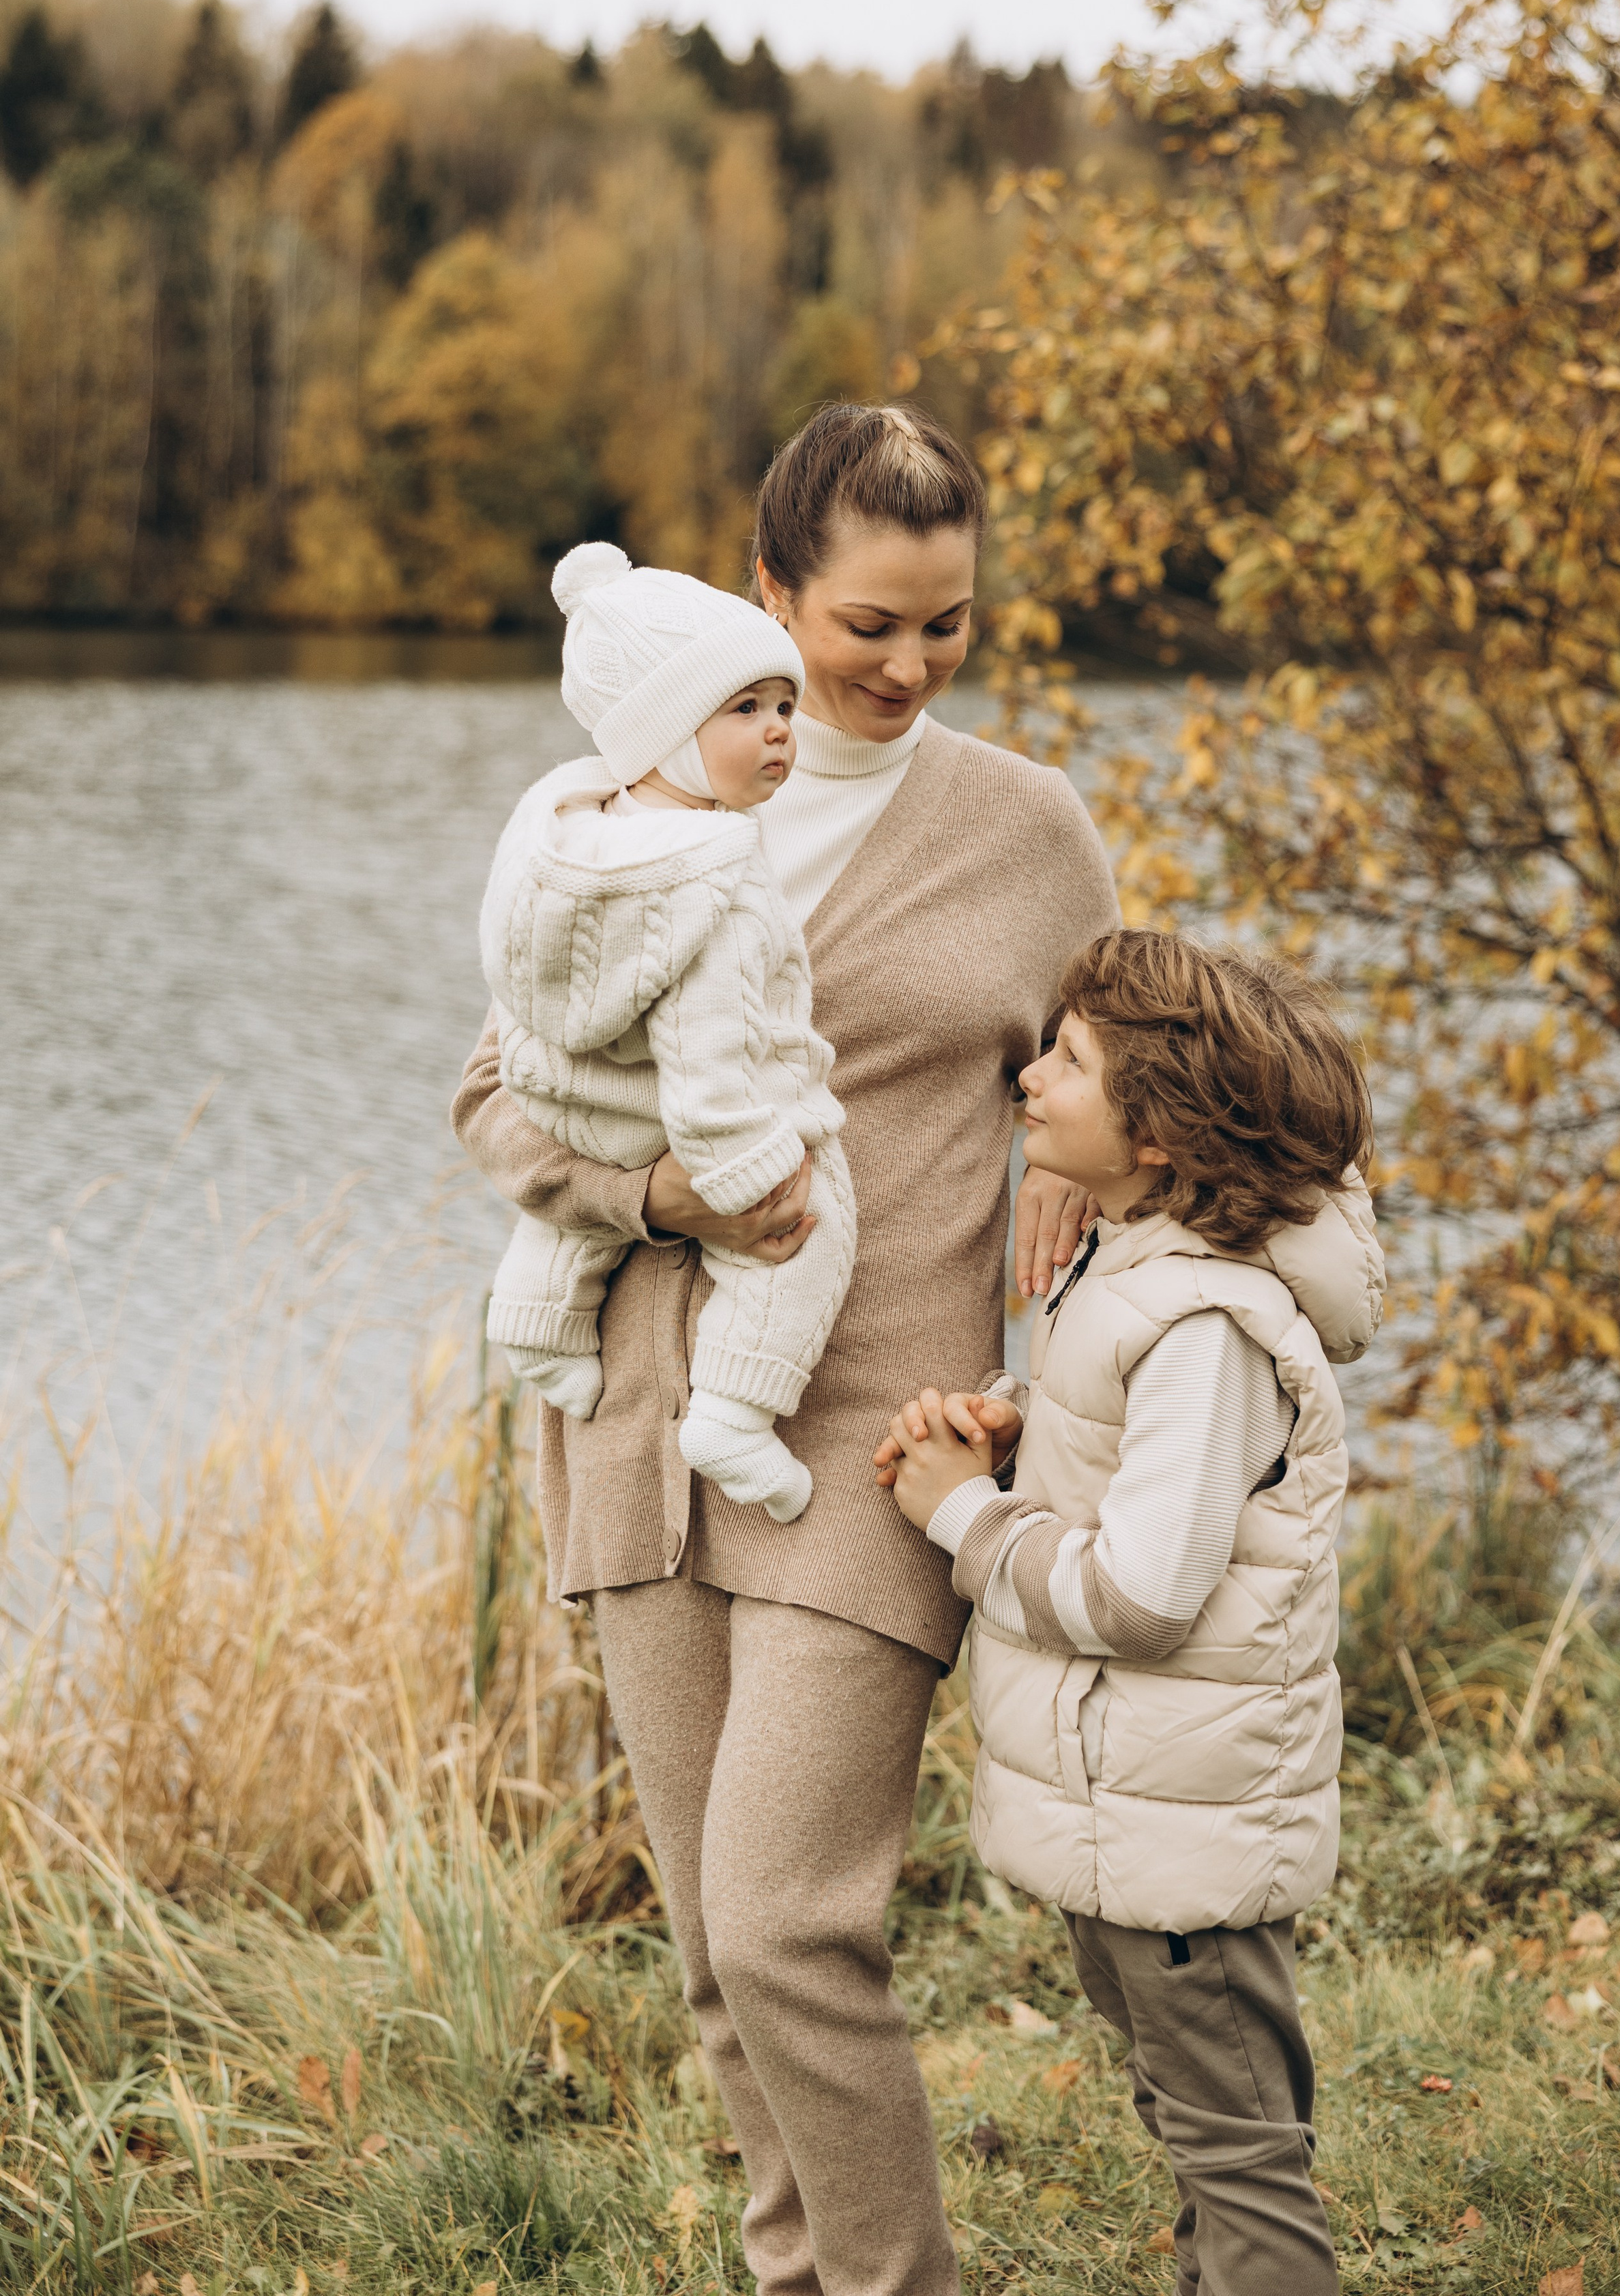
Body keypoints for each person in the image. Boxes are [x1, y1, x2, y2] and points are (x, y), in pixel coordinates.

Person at [452, 401, 1119, 2296]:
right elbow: (495, 1094)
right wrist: (658, 1197)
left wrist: (1077, 1174)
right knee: (711, 1956)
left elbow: (1137, 1075)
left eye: (947, 625)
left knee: (785, 1927)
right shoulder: (613, 818)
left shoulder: (1026, 833)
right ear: (767, 596)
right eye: (865, 626)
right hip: (641, 1430)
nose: (908, 666)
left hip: (882, 1438)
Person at [879, 928, 1385, 2296]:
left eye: (1067, 1060)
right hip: (1142, 1816)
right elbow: (1141, 1480)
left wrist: (963, 1517)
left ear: (1157, 1134)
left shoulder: (1205, 1324)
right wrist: (1020, 1439)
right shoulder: (1135, 1261)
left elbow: (1146, 1594)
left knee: (1239, 2155)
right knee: (1198, 2125)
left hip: (1183, 1832)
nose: (1028, 1077)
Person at [480, 543, 853, 1523]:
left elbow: (513, 989)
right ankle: (735, 1412)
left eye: (785, 706)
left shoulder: (568, 835)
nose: (781, 731)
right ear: (667, 732)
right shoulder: (714, 878)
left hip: (562, 1100)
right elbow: (706, 1047)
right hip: (679, 1122)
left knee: (578, 1198)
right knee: (817, 1226)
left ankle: (536, 1317)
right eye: (746, 709)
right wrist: (747, 1175)